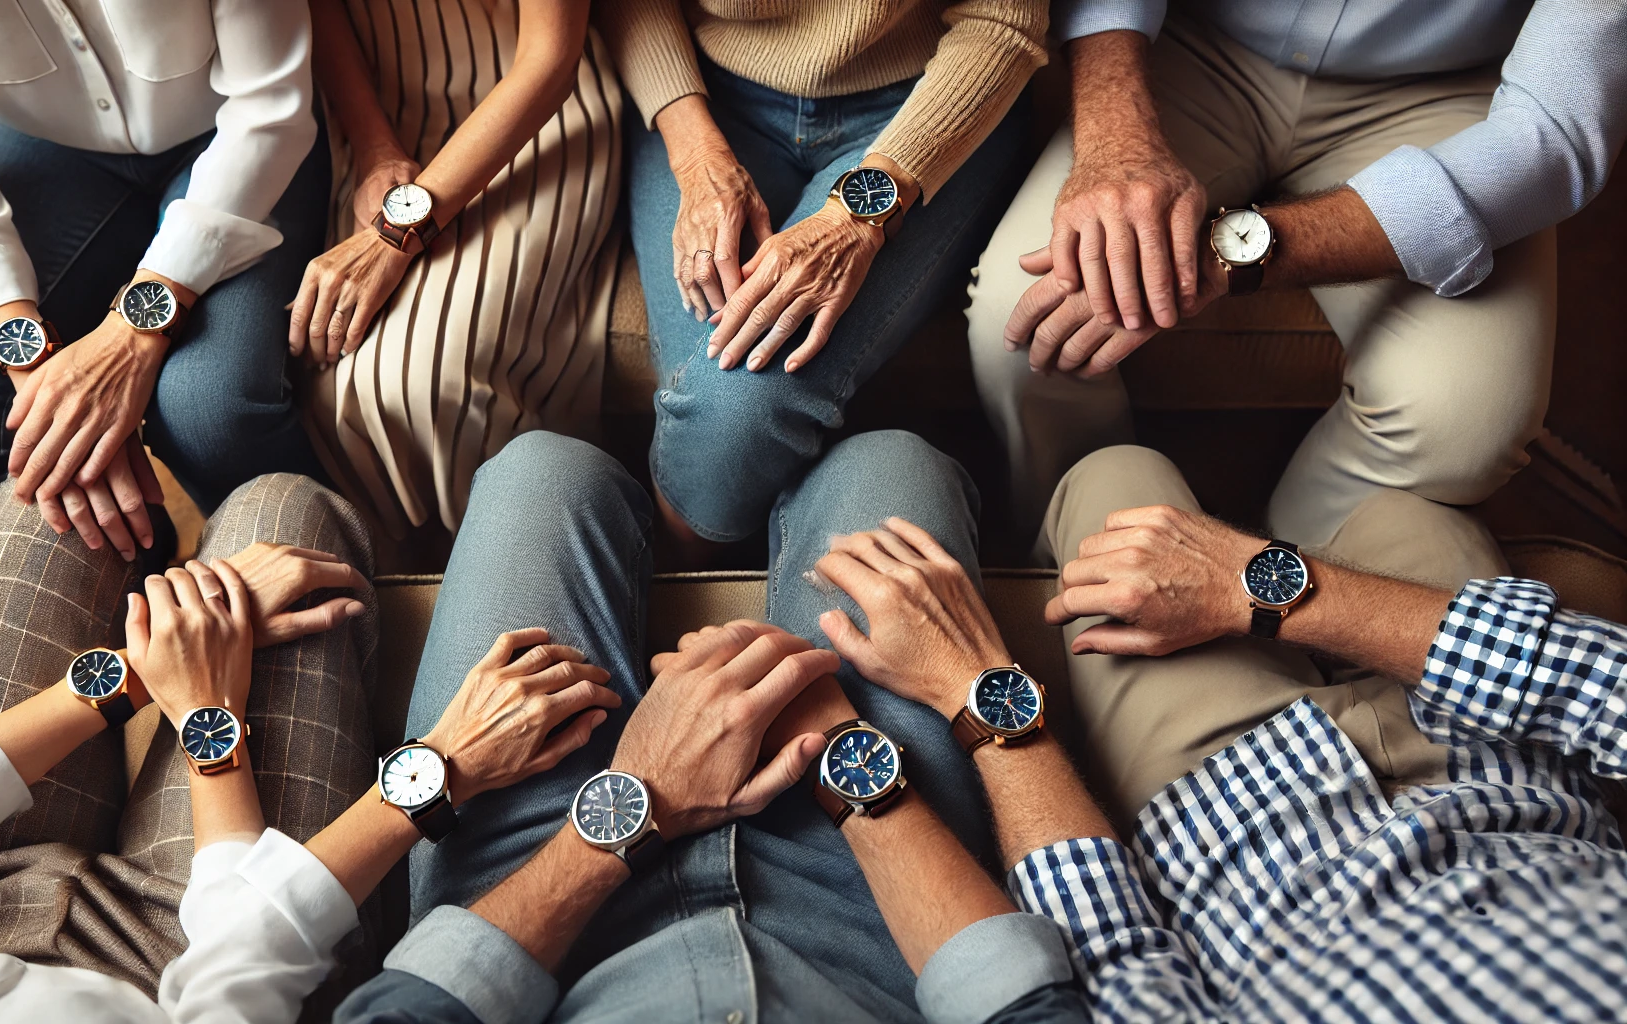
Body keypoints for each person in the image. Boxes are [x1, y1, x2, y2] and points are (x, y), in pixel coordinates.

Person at [821, 440, 1627, 1021]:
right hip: (1508, 757)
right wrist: (1262, 587)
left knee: (1117, 473)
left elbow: (1117, 965)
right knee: (1408, 507)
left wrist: (987, 694)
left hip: (1240, 822)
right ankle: (1274, 530)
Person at [333, 430, 1093, 1023]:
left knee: (543, 471)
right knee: (889, 461)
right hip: (890, 917)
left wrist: (640, 801)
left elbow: (408, 1007)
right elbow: (1025, 1004)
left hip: (539, 911)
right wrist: (850, 765)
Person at [0, 467, 632, 1022]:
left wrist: (142, 673)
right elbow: (240, 979)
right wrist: (438, 772)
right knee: (282, 507)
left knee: (45, 494)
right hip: (186, 976)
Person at [966, 0, 1627, 548]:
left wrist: (1228, 258)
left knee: (1467, 426)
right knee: (1022, 320)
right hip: (1184, 44)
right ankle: (1084, 540)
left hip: (1446, 90)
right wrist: (1115, 137)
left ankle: (1308, 571)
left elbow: (1552, 136)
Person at [0, 0, 330, 558]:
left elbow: (270, 105)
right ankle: (148, 603)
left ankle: (333, 587)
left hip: (241, 127)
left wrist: (132, 339)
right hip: (42, 147)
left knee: (212, 411)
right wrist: (39, 372)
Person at [599, 0, 1049, 556]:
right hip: (702, 95)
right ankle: (689, 565)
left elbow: (1003, 20)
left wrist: (855, 218)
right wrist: (696, 157)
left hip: (930, 98)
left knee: (738, 411)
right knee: (717, 436)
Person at [293, 0, 623, 536]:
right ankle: (404, 572)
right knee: (331, 379)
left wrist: (394, 236)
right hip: (375, 106)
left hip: (533, 106)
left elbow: (550, 56)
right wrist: (376, 148)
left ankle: (516, 553)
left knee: (421, 384)